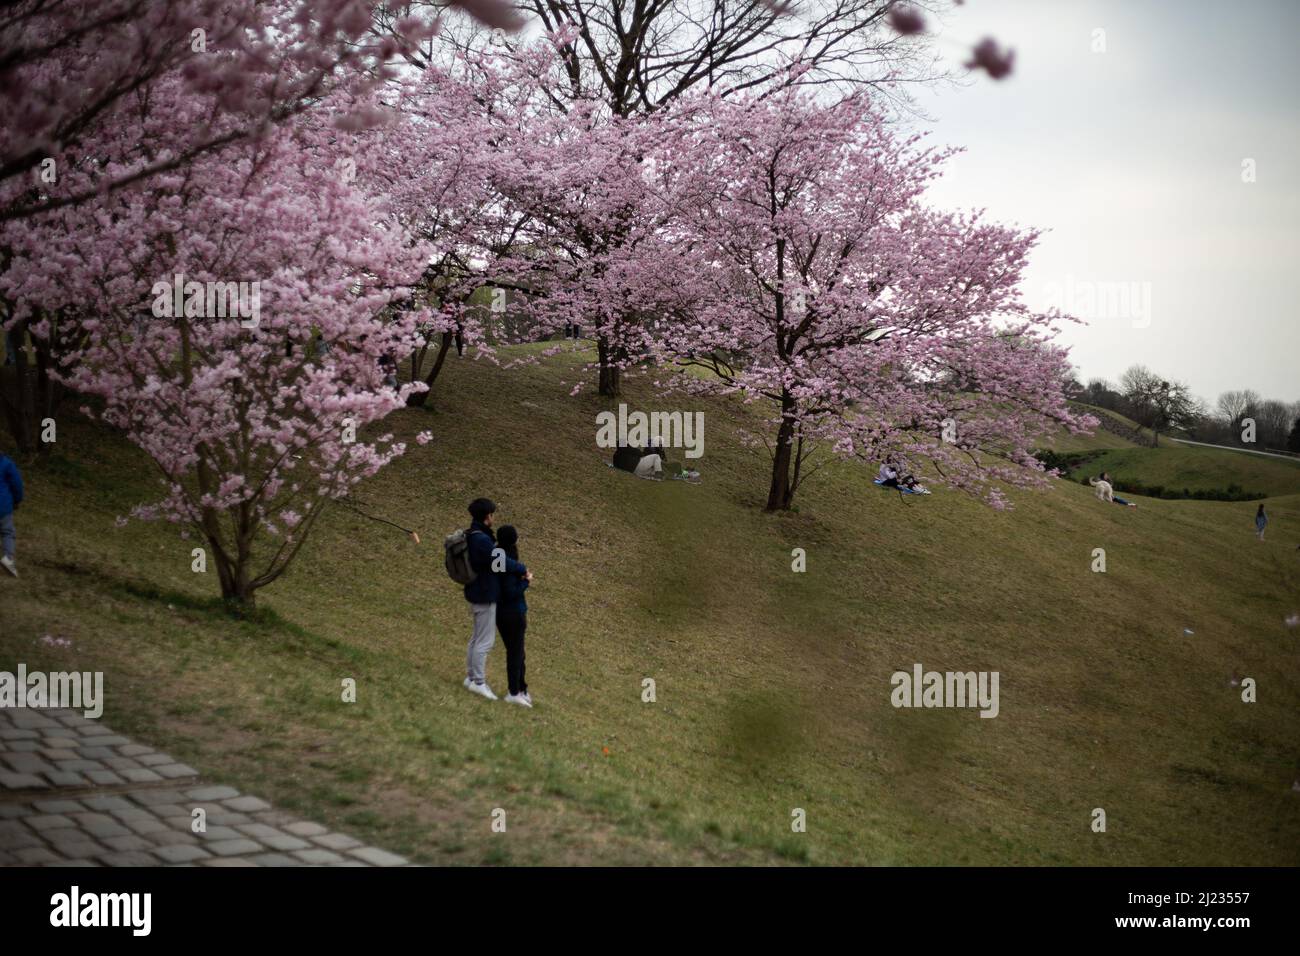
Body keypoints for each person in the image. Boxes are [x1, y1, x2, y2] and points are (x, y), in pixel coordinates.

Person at [462, 498, 530, 700]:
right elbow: (501, 560)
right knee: (484, 641)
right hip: (484, 594)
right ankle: (478, 682)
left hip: (478, 592)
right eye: (492, 514)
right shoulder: (481, 540)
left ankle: (471, 677)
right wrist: (523, 570)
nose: (493, 518)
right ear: (486, 516)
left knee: (476, 639)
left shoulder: (476, 535)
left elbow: (498, 562)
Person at [494, 525, 532, 708]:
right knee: (516, 653)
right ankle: (514, 692)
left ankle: (522, 688)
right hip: (513, 612)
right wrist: (526, 581)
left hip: (501, 612)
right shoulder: (510, 564)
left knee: (518, 652)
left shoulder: (497, 556)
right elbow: (510, 591)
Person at [0, 450, 23, 578]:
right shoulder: (7, 463)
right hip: (2, 507)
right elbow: (17, 484)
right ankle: (8, 559)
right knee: (7, 532)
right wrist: (17, 500)